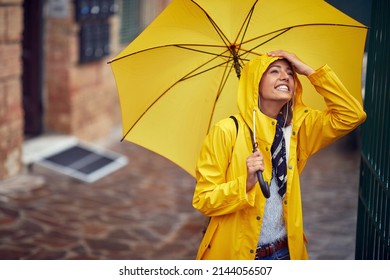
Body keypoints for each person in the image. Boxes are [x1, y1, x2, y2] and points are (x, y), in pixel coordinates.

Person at [192, 50, 366, 260]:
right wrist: (245, 183)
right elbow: (203, 199)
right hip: (239, 256)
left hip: (286, 252)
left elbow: (351, 115)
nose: (285, 77)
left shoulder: (298, 129)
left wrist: (309, 71)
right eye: (274, 71)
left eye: (290, 73)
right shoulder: (227, 131)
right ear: (256, 82)